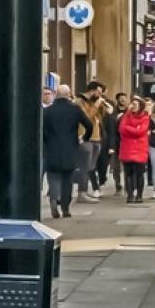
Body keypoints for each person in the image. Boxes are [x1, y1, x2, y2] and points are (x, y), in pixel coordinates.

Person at [42, 83, 93, 219]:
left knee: (53, 176)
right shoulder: (75, 110)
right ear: (69, 94)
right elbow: (89, 125)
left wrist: (46, 141)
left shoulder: (47, 111)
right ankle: (65, 208)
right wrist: (84, 138)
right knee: (67, 179)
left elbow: (41, 130)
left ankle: (53, 198)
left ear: (56, 95)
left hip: (52, 148)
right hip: (70, 148)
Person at [117, 98, 153, 201]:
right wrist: (134, 129)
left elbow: (141, 131)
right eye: (132, 104)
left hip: (139, 149)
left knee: (140, 173)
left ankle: (139, 196)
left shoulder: (145, 118)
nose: (134, 107)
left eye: (136, 105)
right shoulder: (126, 116)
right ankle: (130, 195)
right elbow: (121, 129)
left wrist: (128, 129)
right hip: (128, 148)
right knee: (128, 173)